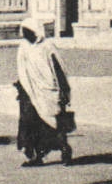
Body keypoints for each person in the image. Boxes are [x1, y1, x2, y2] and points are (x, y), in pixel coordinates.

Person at [14, 17, 74, 166]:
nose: (26, 35)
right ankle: (36, 157)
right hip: (30, 92)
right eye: (24, 31)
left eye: (29, 31)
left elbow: (59, 69)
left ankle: (64, 150)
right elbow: (22, 71)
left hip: (48, 91)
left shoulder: (47, 47)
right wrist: (22, 88)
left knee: (53, 123)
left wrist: (64, 90)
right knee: (30, 125)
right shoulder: (23, 48)